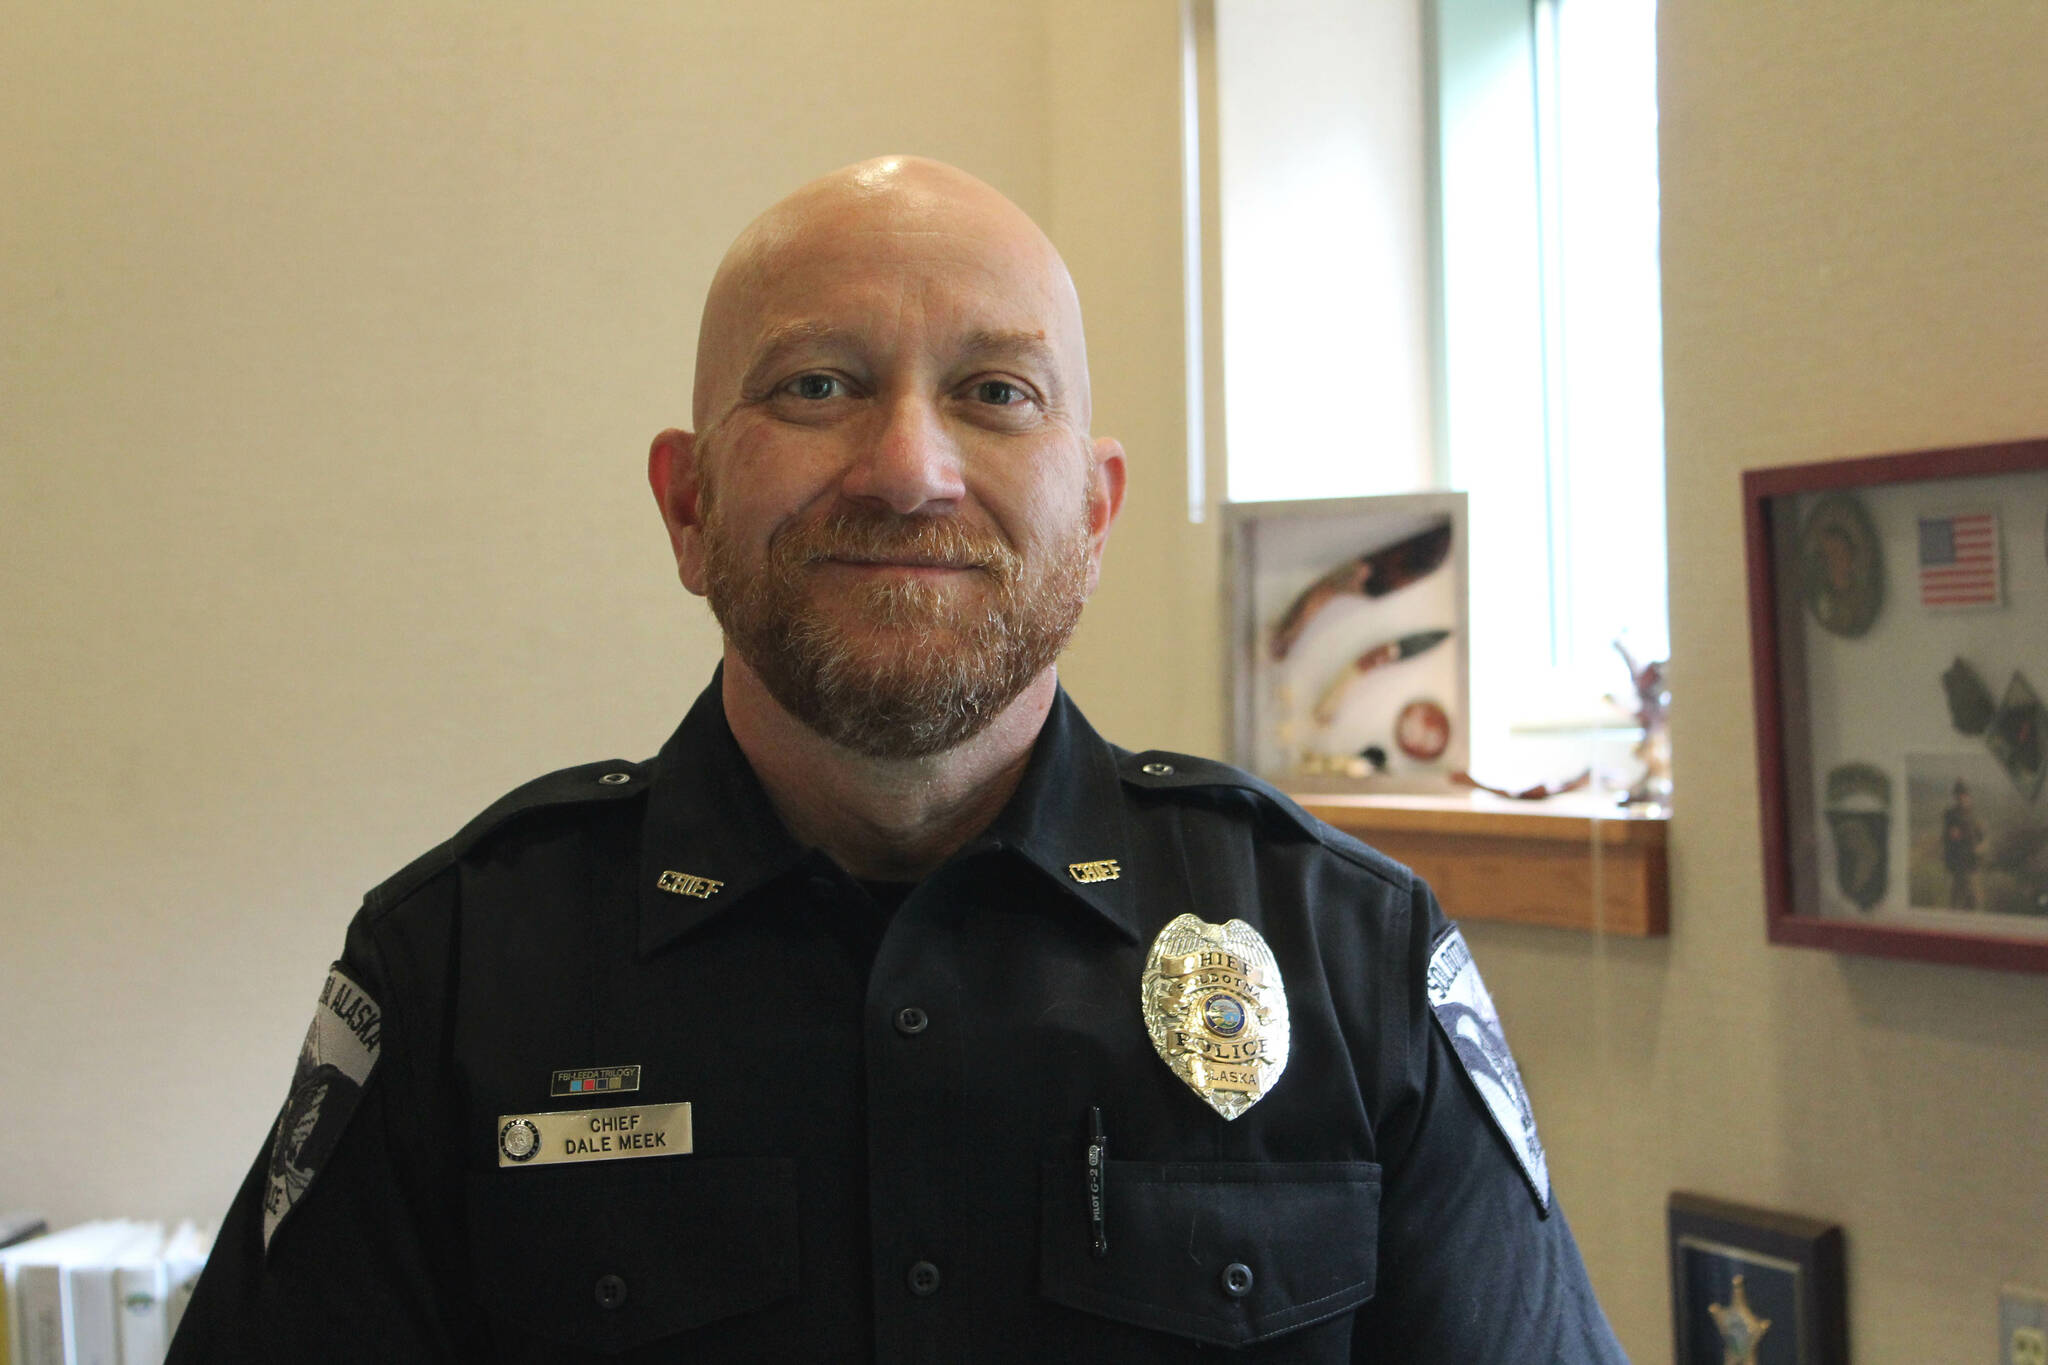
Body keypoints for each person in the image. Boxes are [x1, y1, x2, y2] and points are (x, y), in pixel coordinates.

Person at [169, 156, 1626, 1362]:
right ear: (688, 507)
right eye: (816, 387)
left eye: (996, 392)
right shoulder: (462, 971)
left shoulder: (1346, 957)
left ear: (1096, 512)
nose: (909, 467)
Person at [1943, 779, 1985, 909]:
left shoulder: (1974, 815)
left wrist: (1979, 847)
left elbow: (1983, 838)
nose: (1961, 798)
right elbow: (1951, 837)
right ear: (1955, 797)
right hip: (1959, 863)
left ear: (1968, 796)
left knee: (1971, 903)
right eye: (1959, 795)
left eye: (1964, 795)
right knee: (1960, 901)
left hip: (1972, 863)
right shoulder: (1951, 816)